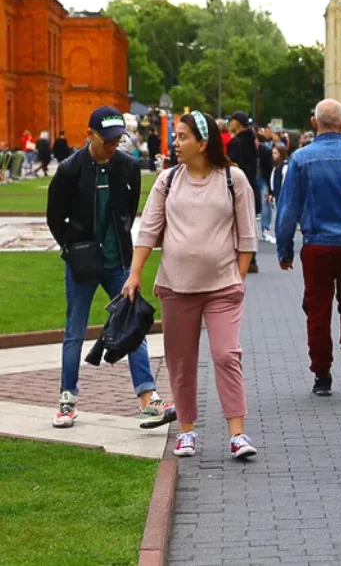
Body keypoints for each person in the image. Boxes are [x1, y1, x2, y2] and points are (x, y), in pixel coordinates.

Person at [123, 110, 258, 460]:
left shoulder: (234, 179)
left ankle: (237, 434)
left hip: (222, 288)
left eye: (182, 137)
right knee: (181, 362)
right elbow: (149, 230)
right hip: (176, 288)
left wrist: (237, 280)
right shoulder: (167, 180)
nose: (175, 143)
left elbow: (247, 237)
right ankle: (186, 430)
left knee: (226, 354)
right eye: (176, 136)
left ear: (203, 142)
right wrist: (135, 273)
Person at [45, 106, 175, 431]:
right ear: (90, 134)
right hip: (82, 262)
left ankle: (148, 399)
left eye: (118, 140)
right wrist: (73, 247)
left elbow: (127, 213)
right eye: (107, 140)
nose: (113, 145)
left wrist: (120, 247)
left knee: (134, 326)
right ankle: (67, 399)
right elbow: (54, 216)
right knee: (74, 331)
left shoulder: (128, 167)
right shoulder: (70, 169)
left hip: (118, 262)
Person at [275, 99, 341, 397]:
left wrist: (284, 248)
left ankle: (322, 374)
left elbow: (288, 210)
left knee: (317, 310)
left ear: (314, 122)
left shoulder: (300, 159)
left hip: (317, 245)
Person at [225, 112, 260, 273]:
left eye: (231, 121)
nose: (229, 124)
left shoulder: (236, 142)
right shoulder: (251, 140)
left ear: (237, 123)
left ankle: (241, 259)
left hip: (238, 185)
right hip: (251, 184)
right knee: (248, 222)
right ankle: (251, 258)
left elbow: (232, 164)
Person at [263, 144, 288, 244]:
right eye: (273, 153)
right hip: (275, 194)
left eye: (276, 153)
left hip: (281, 194)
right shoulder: (275, 167)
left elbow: (285, 181)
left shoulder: (284, 167)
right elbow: (272, 181)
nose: (273, 155)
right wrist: (271, 192)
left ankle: (281, 234)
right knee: (276, 215)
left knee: (280, 216)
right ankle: (276, 233)